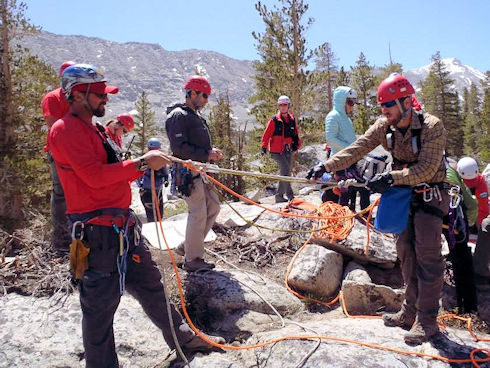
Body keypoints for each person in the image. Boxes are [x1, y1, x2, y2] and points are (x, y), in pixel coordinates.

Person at [48, 64, 224, 368]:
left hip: (121, 229)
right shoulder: (65, 130)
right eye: (100, 93)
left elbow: (108, 171)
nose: (106, 99)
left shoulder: (94, 129)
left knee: (152, 286)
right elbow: (93, 177)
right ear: (78, 94)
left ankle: (181, 337)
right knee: (100, 310)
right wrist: (142, 164)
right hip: (98, 235)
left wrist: (141, 163)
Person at [308, 74, 449, 344]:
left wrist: (391, 178)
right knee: (405, 254)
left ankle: (428, 321)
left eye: (389, 106)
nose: (384, 112)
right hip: (402, 195)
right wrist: (326, 166)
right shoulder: (385, 126)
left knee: (427, 259)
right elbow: (358, 147)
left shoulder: (432, 126)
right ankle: (409, 312)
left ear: (407, 102)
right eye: (382, 107)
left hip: (430, 195)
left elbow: (428, 168)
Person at [165, 75, 222, 272]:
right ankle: (193, 259)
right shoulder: (178, 116)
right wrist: (206, 153)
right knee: (198, 213)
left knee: (213, 206)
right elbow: (179, 147)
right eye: (204, 95)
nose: (206, 100)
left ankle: (186, 247)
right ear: (192, 93)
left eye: (207, 96)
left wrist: (209, 153)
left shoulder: (193, 116)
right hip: (188, 172)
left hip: (199, 169)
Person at [41, 60, 76, 253]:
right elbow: (54, 126)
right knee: (61, 192)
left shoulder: (77, 97)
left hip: (77, 150)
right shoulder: (53, 97)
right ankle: (61, 236)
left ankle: (75, 230)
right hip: (60, 150)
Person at [324, 86, 370, 212]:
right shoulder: (333, 116)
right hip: (339, 161)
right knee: (344, 190)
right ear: (341, 101)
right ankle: (341, 217)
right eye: (350, 102)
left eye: (353, 102)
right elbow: (330, 139)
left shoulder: (346, 118)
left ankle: (363, 214)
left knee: (363, 186)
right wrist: (351, 149)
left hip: (351, 160)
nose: (352, 106)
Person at [261, 95, 301, 203]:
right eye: (281, 105)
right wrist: (264, 147)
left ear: (288, 106)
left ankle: (288, 195)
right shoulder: (274, 120)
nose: (283, 107)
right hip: (276, 151)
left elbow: (295, 133)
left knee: (286, 172)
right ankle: (282, 195)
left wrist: (297, 144)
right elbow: (267, 134)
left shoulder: (291, 119)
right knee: (285, 170)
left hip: (287, 149)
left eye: (285, 105)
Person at [137, 137, 169, 222]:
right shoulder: (144, 160)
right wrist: (140, 185)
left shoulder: (157, 160)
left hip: (156, 190)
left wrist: (166, 180)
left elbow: (165, 172)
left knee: (158, 214)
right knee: (152, 214)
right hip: (148, 190)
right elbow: (138, 175)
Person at [456, 157, 489, 230]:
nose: (470, 182)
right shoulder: (457, 181)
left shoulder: (480, 181)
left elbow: (483, 206)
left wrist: (482, 229)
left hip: (473, 215)